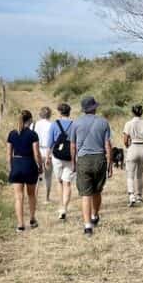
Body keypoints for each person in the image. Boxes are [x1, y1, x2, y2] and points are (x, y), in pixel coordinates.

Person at [71, 94, 112, 238]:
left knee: (85, 194)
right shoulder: (103, 122)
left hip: (83, 159)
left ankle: (87, 226)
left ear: (83, 109)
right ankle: (95, 215)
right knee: (97, 191)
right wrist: (110, 164)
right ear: (94, 108)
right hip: (100, 158)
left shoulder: (76, 123)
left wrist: (73, 163)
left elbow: (73, 145)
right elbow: (108, 145)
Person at [7, 110, 43, 232]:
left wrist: (10, 168)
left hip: (16, 164)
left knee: (18, 197)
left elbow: (8, 155)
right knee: (31, 194)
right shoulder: (33, 135)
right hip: (29, 165)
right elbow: (37, 154)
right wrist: (40, 166)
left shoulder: (12, 134)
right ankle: (32, 219)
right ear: (30, 120)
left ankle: (20, 224)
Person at [46, 101, 76, 221]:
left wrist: (47, 157)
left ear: (59, 112)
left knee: (59, 181)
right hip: (70, 156)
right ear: (69, 112)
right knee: (67, 183)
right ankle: (65, 208)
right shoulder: (74, 124)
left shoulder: (54, 124)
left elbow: (50, 143)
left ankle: (61, 206)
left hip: (57, 156)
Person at [123, 103, 143, 206]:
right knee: (139, 175)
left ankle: (131, 196)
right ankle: (139, 196)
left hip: (133, 147)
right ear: (142, 112)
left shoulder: (128, 123)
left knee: (130, 174)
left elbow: (125, 140)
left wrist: (127, 146)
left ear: (132, 112)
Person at [34, 107, 53, 202]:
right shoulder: (52, 125)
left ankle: (35, 197)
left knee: (37, 176)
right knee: (48, 176)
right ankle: (47, 198)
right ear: (49, 114)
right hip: (49, 152)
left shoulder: (36, 124)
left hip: (38, 151)